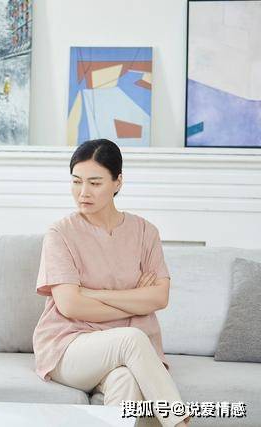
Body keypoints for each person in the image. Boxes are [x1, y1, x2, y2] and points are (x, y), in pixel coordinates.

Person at [33, 139, 191, 427]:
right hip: (69, 347)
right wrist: (136, 299)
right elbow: (70, 306)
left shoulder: (145, 232)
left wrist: (92, 294)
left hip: (128, 355)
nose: (83, 192)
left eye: (95, 183)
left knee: (125, 379)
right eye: (76, 181)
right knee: (132, 338)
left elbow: (159, 298)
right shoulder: (60, 233)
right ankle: (180, 423)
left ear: (118, 182)